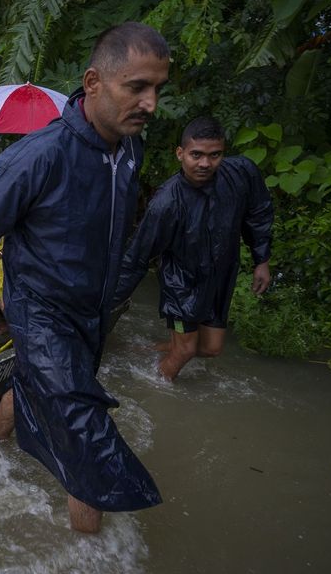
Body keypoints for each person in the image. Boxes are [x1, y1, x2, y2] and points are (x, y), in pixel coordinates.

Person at [0, 22, 170, 534]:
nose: (150, 103)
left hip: (91, 310)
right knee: (83, 430)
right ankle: (96, 565)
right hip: (41, 313)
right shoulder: (36, 158)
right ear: (93, 82)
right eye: (136, 86)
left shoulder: (130, 152)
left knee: (37, 389)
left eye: (157, 89)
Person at [113, 116, 273, 380]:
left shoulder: (241, 172)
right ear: (180, 153)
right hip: (182, 283)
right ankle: (159, 393)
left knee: (210, 349)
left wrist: (262, 259)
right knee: (185, 351)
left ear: (223, 152)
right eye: (196, 155)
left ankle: (139, 351)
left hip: (221, 274)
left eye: (214, 155)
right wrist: (109, 302)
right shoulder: (165, 204)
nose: (205, 163)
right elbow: (137, 258)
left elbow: (259, 212)